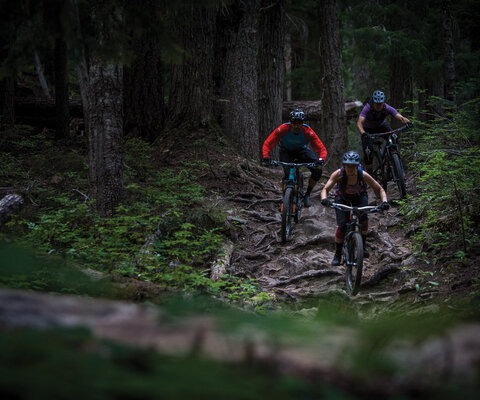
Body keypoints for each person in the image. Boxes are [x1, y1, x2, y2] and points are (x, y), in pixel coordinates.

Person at [320, 150, 389, 267]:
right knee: (342, 225)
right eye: (348, 167)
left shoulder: (363, 175)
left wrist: (385, 202)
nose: (351, 170)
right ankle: (337, 254)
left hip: (359, 196)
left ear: (357, 166)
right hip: (342, 198)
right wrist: (324, 199)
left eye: (353, 167)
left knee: (364, 220)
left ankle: (363, 245)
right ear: (344, 166)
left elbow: (380, 189)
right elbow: (325, 189)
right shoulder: (338, 174)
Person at [262, 109, 328, 208]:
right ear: (290, 122)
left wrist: (321, 159)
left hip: (302, 151)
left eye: (299, 123)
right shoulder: (283, 129)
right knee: (288, 176)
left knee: (317, 171)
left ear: (303, 123)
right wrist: (266, 157)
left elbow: (321, 148)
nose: (296, 125)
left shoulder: (308, 131)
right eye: (294, 123)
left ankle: (307, 195)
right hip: (286, 152)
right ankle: (285, 197)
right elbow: (268, 143)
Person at [356, 90, 410, 173]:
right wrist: (363, 133)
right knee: (368, 151)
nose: (378, 106)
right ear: (373, 103)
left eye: (380, 104)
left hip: (381, 126)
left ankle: (392, 159)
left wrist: (405, 120)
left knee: (393, 137)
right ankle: (369, 172)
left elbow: (397, 115)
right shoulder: (367, 107)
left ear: (383, 103)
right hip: (367, 129)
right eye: (376, 104)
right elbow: (359, 122)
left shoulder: (386, 107)